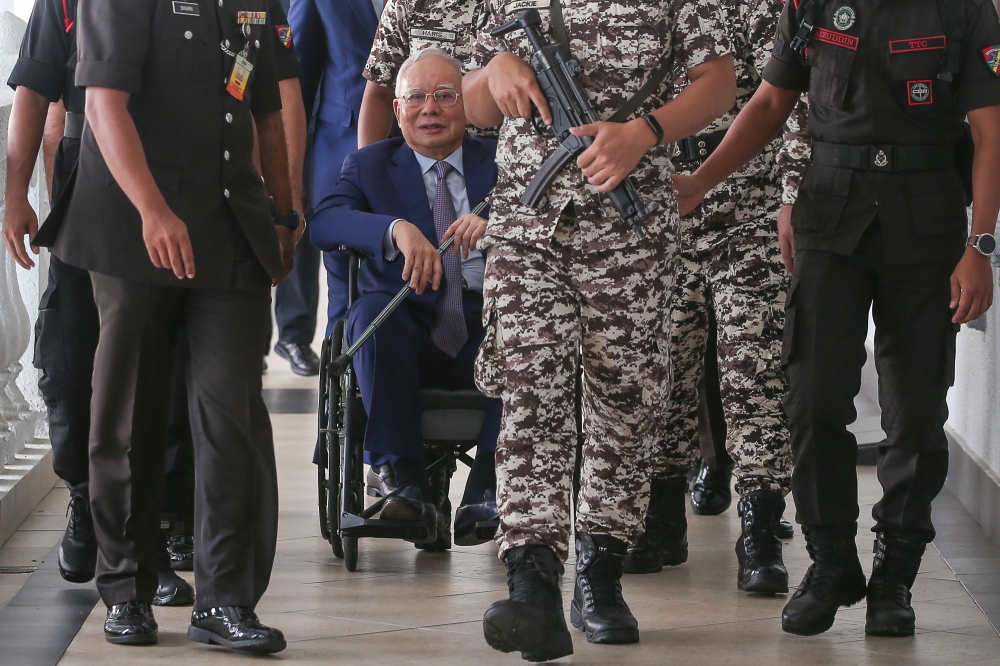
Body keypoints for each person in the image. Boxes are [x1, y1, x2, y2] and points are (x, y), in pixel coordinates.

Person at [675, 0, 1000, 638]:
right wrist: (702, 181)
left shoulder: (965, 9)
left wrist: (980, 245)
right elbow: (770, 102)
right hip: (830, 209)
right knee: (812, 399)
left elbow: (991, 131)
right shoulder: (810, 4)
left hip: (926, 213)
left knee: (916, 412)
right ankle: (830, 563)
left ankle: (894, 577)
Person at [463, 0, 737, 658]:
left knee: (626, 404)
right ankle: (532, 583)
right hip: (528, 232)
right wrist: (493, 74)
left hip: (631, 234)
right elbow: (470, 103)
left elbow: (719, 83)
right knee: (532, 399)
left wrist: (645, 131)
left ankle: (601, 573)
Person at [31, 0, 299, 650]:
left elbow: (267, 110)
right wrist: (153, 211)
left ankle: (226, 600)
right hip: (132, 225)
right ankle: (127, 588)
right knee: (128, 414)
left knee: (232, 413)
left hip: (229, 226)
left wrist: (284, 214)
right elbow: (103, 106)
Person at [1, 0, 194, 607]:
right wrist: (15, 194)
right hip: (86, 186)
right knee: (68, 358)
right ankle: (86, 499)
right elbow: (33, 91)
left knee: (157, 366)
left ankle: (148, 540)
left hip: (177, 178)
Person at [623, 0, 807, 595]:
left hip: (748, 214)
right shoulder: (642, 10)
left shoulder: (761, 7)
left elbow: (789, 103)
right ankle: (661, 520)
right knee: (663, 369)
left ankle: (759, 529)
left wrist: (791, 196)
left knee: (755, 374)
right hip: (659, 214)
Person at [311, 48, 502, 551]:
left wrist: (499, 224)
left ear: (467, 106)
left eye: (445, 96)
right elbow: (324, 222)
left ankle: (488, 486)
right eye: (416, 97)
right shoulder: (370, 165)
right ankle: (405, 484)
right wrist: (394, 229)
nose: (430, 108)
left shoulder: (502, 162)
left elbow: (549, 215)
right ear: (397, 110)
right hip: (404, 328)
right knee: (369, 315)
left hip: (485, 325)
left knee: (528, 322)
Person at [289, 0, 380, 332]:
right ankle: (340, 358)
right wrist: (291, 174)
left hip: (424, 153)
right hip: (341, 149)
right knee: (344, 291)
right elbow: (298, 80)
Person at [270, 0, 323, 376]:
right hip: (285, 120)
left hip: (312, 123)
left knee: (299, 226)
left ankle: (293, 334)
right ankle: (277, 336)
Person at [358, 0, 491, 146]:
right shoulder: (407, 4)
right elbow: (380, 93)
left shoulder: (509, 7)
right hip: (426, 153)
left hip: (503, 150)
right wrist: (367, 159)